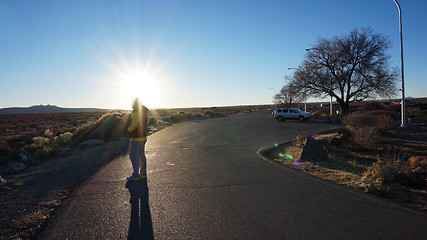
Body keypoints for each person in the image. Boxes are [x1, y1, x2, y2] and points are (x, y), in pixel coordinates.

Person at [127, 98, 149, 181]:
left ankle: (136, 175)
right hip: (143, 137)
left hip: (135, 138)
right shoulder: (144, 112)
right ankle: (143, 174)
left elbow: (134, 125)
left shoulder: (136, 113)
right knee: (141, 155)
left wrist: (128, 129)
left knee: (133, 156)